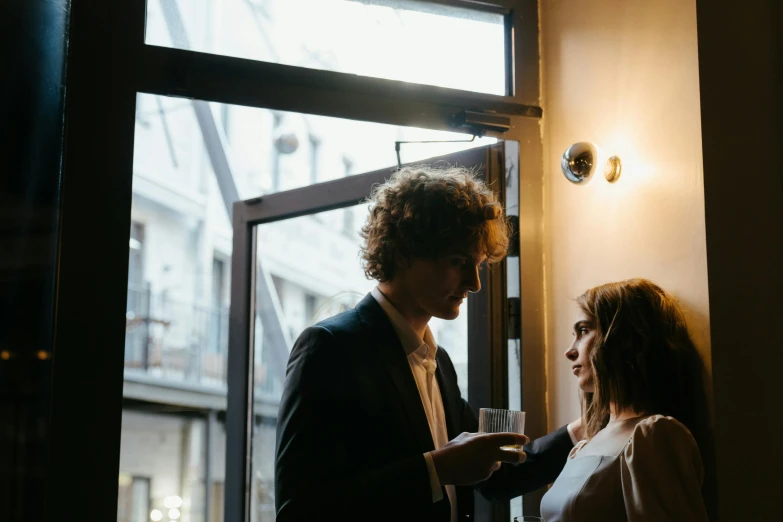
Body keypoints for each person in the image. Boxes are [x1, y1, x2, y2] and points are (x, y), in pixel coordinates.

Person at [274, 166, 577, 522]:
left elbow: (497, 476)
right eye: (459, 262)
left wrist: (582, 430)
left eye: (478, 265)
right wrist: (435, 470)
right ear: (404, 252)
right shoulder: (331, 348)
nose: (475, 283)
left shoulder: (440, 362)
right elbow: (299, 508)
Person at [537, 279, 710, 521]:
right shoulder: (584, 445)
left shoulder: (653, 435)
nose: (569, 351)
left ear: (622, 338)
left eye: (584, 331)